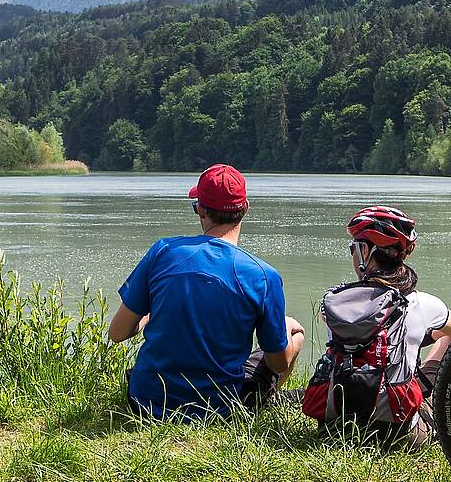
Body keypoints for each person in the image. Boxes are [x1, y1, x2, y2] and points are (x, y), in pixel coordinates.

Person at [107, 164, 307, 418]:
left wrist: (150, 314)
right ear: (245, 209)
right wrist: (284, 330)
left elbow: (117, 333)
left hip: (146, 402)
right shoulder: (264, 276)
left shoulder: (162, 251)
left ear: (200, 209)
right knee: (295, 331)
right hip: (218, 409)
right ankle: (263, 400)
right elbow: (278, 362)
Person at [303, 205, 451, 443]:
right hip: (398, 434)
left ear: (364, 250)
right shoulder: (421, 303)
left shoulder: (335, 303)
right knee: (447, 336)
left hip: (334, 428)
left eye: (353, 249)